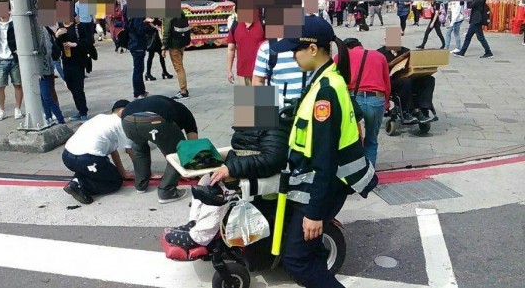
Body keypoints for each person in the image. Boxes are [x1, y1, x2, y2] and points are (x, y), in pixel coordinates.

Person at [271, 15, 377, 288]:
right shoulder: (324, 79)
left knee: (296, 259)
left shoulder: (325, 93)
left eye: (295, 49)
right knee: (309, 253)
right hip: (318, 180)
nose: (292, 55)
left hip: (325, 185)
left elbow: (325, 158)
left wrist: (315, 213)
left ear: (313, 49)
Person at [164, 116, 289, 249]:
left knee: (216, 190)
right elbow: (240, 149)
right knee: (207, 179)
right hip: (246, 167)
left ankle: (201, 237)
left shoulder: (275, 126)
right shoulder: (252, 122)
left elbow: (272, 160)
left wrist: (231, 168)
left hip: (260, 175)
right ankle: (195, 222)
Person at [122, 95, 198, 203]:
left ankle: (140, 185)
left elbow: (164, 143)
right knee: (179, 151)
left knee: (139, 148)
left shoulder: (168, 106)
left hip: (127, 119)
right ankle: (166, 191)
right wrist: (189, 166)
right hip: (154, 120)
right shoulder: (187, 116)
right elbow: (192, 143)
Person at [62, 100, 134, 204]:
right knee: (115, 182)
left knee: (96, 171)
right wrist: (145, 173)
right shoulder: (120, 123)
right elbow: (130, 150)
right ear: (122, 111)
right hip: (87, 159)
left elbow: (114, 151)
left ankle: (76, 181)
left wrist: (123, 173)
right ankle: (81, 186)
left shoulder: (100, 117)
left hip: (67, 156)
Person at [340, 38, 391, 165]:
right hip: (376, 99)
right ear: (361, 45)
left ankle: (356, 171)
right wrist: (387, 101)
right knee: (372, 139)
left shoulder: (342, 57)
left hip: (353, 99)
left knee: (350, 139)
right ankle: (370, 174)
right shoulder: (379, 56)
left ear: (347, 48)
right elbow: (387, 82)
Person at [377, 45, 437, 124]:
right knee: (406, 81)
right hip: (391, 81)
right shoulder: (380, 53)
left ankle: (424, 108)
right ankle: (407, 111)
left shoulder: (406, 51)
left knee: (429, 79)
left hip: (407, 77)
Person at [55, 11, 91, 121]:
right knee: (71, 87)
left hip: (78, 61)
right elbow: (57, 47)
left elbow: (87, 43)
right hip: (66, 61)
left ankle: (83, 112)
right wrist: (57, 36)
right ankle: (80, 109)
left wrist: (74, 44)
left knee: (78, 88)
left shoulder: (78, 27)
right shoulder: (60, 28)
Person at [252, 40, 305, 108]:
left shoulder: (310, 45)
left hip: (308, 108)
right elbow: (257, 81)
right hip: (278, 110)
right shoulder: (267, 47)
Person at [226, 8, 265, 86]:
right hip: (243, 72)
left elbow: (273, 46)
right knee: (247, 98)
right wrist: (229, 70)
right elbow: (231, 49)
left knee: (262, 98)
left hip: (262, 72)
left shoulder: (263, 23)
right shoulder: (235, 25)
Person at [161, 11, 191, 99]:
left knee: (178, 67)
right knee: (180, 66)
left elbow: (166, 32)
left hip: (174, 44)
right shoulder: (181, 12)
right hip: (182, 42)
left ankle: (183, 91)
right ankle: (184, 88)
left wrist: (163, 47)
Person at [39, 26, 65, 124]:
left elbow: (47, 49)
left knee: (47, 96)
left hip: (45, 68)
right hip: (36, 69)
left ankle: (60, 119)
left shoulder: (42, 30)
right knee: (42, 96)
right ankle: (48, 117)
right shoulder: (33, 28)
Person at [126, 9, 153, 99]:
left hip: (135, 43)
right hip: (137, 44)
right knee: (138, 69)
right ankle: (137, 92)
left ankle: (141, 90)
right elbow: (140, 29)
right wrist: (147, 24)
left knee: (140, 69)